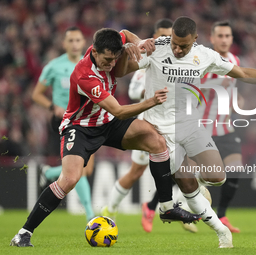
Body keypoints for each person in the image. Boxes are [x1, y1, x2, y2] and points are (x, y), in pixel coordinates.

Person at [122, 16, 256, 248]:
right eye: (174, 42)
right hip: (159, 133)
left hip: (191, 125)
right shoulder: (157, 48)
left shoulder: (205, 55)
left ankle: (197, 188)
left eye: (183, 45)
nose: (177, 48)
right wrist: (130, 45)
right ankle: (221, 232)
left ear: (195, 39)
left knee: (218, 177)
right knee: (188, 185)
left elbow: (243, 74)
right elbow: (123, 62)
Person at [10, 28, 200, 248]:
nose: (111, 64)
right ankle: (24, 233)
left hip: (106, 122)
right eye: (107, 60)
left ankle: (167, 207)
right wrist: (150, 102)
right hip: (81, 128)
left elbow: (125, 33)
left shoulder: (110, 44)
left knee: (156, 141)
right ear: (95, 51)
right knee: (70, 180)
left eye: (114, 59)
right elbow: (119, 111)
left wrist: (138, 43)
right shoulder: (84, 75)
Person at [101, 19, 208, 234]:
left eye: (170, 37)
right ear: (154, 37)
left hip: (171, 126)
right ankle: (109, 210)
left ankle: (160, 208)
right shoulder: (147, 59)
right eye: (162, 36)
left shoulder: (180, 62)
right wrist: (154, 92)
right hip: (147, 125)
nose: (167, 41)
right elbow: (132, 92)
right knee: (135, 172)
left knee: (180, 168)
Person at [31, 26, 95, 222]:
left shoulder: (91, 65)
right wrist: (53, 107)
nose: (75, 44)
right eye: (71, 41)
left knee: (86, 169)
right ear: (64, 44)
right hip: (65, 120)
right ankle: (90, 215)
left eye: (78, 40)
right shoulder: (54, 66)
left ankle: (49, 172)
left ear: (83, 43)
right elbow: (36, 94)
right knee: (81, 168)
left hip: (86, 119)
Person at [199, 20, 243, 233]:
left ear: (231, 39)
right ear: (212, 38)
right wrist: (216, 85)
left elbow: (232, 89)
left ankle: (222, 214)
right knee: (188, 174)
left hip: (225, 127)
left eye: (228, 36)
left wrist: (237, 100)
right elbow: (192, 87)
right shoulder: (204, 60)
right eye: (220, 36)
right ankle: (158, 205)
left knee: (235, 169)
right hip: (203, 127)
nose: (224, 40)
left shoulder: (235, 60)